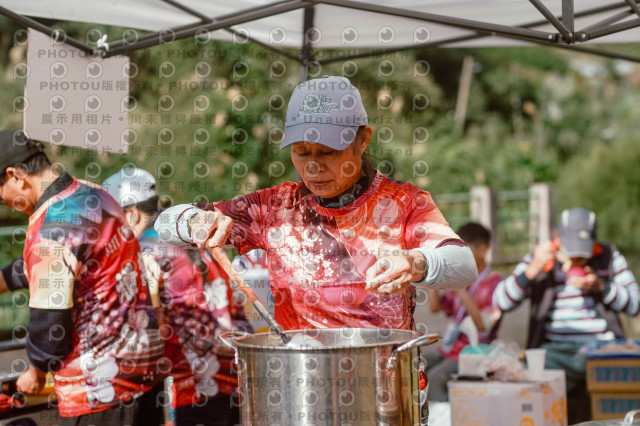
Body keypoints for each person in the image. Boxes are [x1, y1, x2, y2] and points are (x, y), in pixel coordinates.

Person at [155, 75, 479, 424]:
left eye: (327, 152)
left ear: (363, 140)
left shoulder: (403, 204)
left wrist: (417, 261)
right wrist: (192, 222)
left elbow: (463, 264)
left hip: (385, 395)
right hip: (298, 395)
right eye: (302, 152)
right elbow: (164, 222)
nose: (313, 167)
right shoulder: (274, 209)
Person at [0, 130, 167, 425]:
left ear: (15, 175)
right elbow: (68, 263)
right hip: (145, 371)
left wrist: (37, 370)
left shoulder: (51, 226)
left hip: (99, 389)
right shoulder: (94, 194)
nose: (3, 201)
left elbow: (51, 321)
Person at [102, 167, 251, 426]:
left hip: (192, 384)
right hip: (233, 371)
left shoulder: (146, 252)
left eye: (112, 219)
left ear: (133, 215)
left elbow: (145, 327)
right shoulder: (187, 236)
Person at [493, 207, 639, 422]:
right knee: (526, 390)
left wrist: (601, 287)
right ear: (557, 238)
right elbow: (501, 301)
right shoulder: (541, 259)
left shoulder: (609, 256)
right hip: (554, 350)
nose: (578, 257)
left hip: (602, 347)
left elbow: (635, 305)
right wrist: (532, 270)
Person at [424, 222, 502, 401]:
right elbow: (435, 308)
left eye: (464, 251)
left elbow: (483, 325)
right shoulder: (462, 278)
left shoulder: (494, 283)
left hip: (476, 352)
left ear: (482, 250)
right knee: (416, 367)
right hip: (451, 349)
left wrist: (461, 289)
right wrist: (434, 279)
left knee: (436, 379)